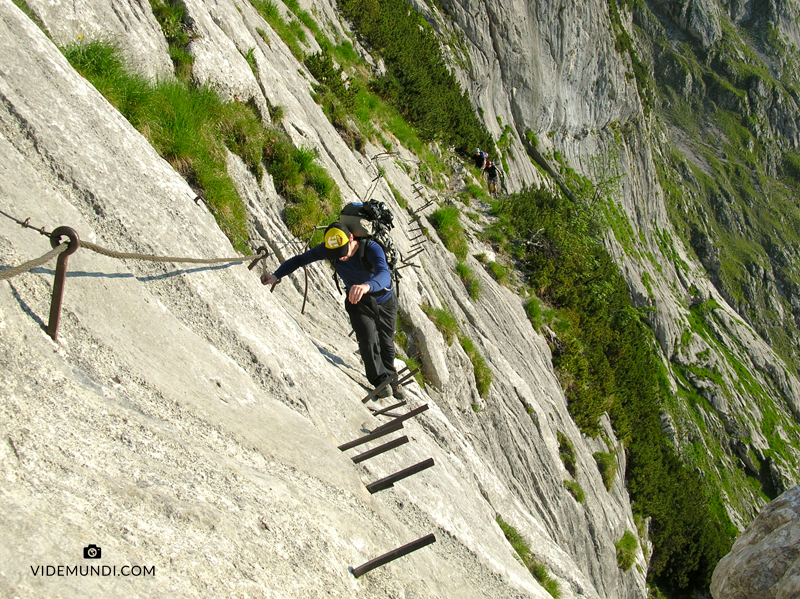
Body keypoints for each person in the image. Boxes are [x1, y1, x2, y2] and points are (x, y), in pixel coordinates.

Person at [262, 222, 404, 399]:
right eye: (336, 255)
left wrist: (366, 286)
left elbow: (384, 274)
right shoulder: (330, 248)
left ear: (351, 238)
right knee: (368, 340)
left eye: (342, 253)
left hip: (385, 300)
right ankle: (380, 381)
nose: (340, 258)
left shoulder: (371, 248)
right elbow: (300, 260)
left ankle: (392, 378)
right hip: (357, 301)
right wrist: (276, 275)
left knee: (386, 342)